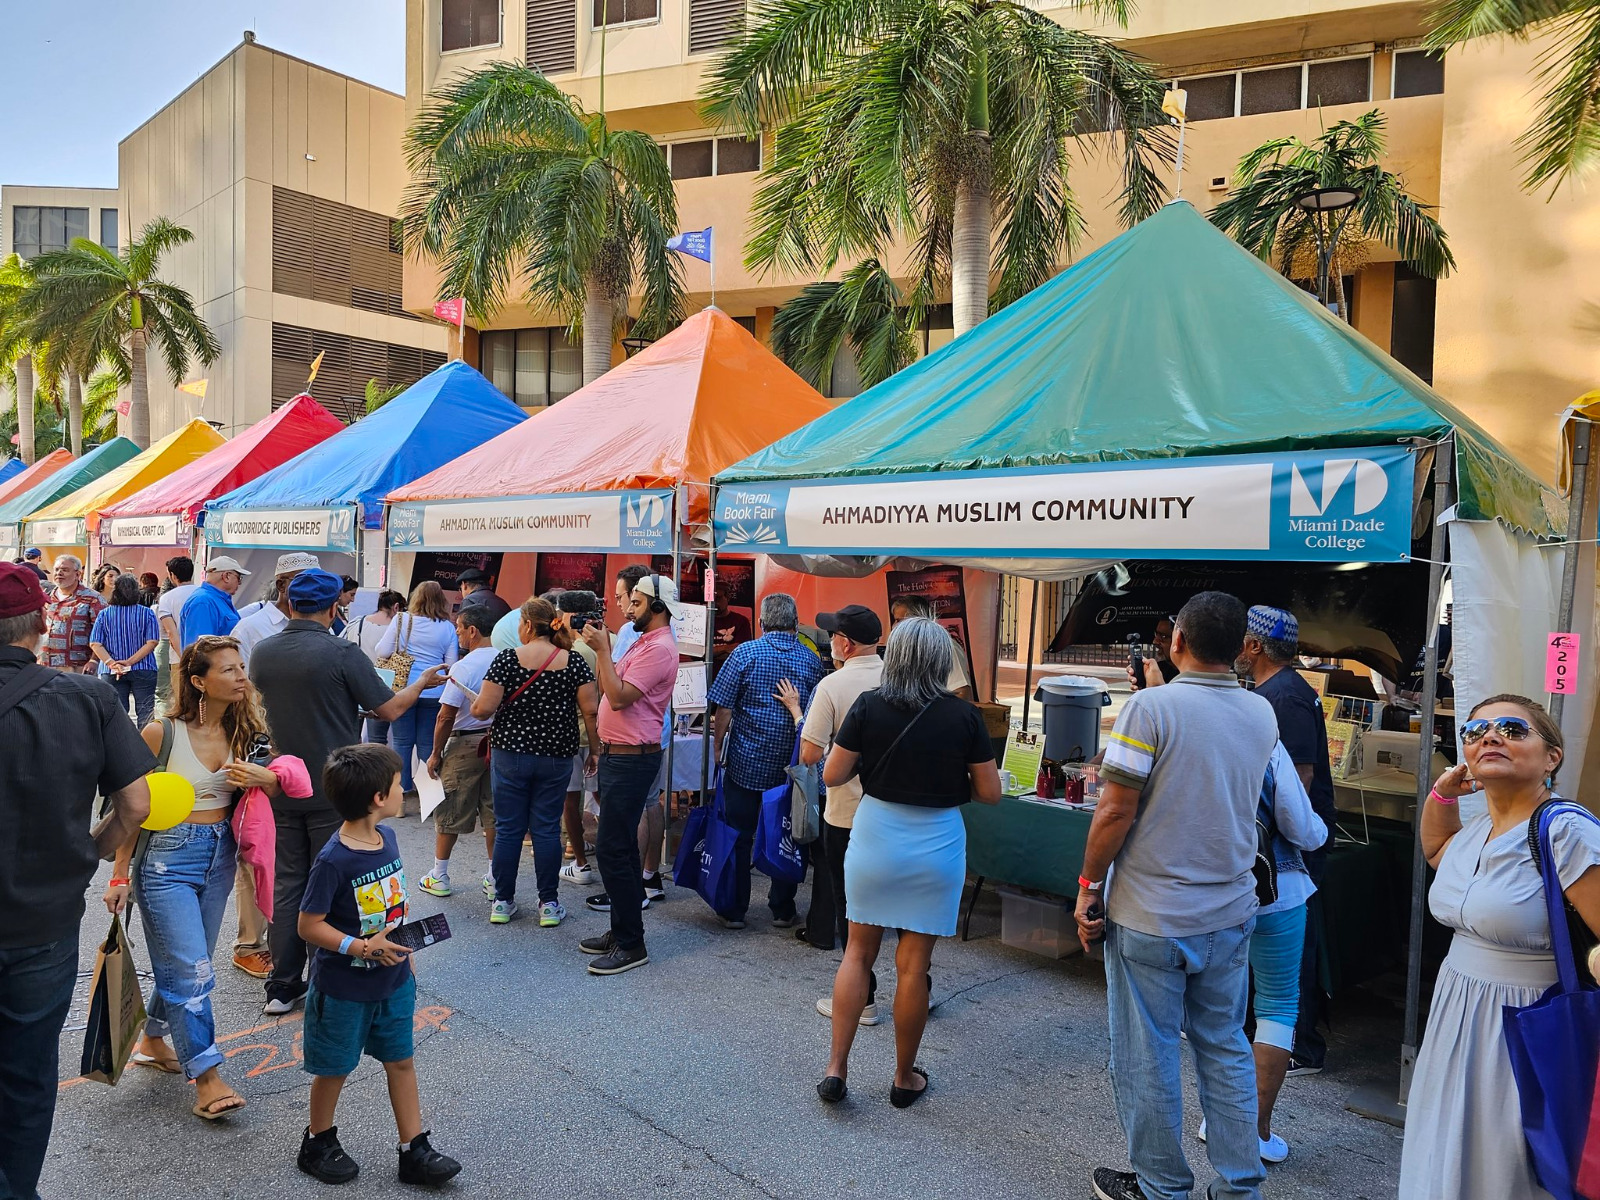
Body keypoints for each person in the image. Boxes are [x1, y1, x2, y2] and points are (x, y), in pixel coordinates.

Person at [1076, 591, 1277, 1200]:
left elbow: (1114, 809)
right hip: (1229, 910)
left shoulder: (1150, 708)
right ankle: (1241, 1183)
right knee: (1225, 1046)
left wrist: (1087, 886)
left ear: (1177, 641)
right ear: (1243, 647)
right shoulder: (1260, 712)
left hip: (1154, 914)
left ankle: (1162, 1186)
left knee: (1148, 1053)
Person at [1399, 695, 1600, 1199]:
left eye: (1512, 728)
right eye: (1475, 731)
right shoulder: (1478, 832)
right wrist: (1443, 797)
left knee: (1504, 1168)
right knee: (1446, 1149)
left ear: (1551, 757)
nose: (1490, 736)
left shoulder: (1566, 831)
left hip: (1526, 1024)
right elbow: (1438, 851)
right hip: (1456, 1015)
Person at [0, 562, 152, 1199]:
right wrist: (88, 852)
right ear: (40, 625)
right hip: (43, 919)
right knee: (28, 1070)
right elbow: (138, 805)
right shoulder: (85, 698)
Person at [815, 617, 1000, 1106]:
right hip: (936, 843)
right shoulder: (963, 717)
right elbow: (990, 793)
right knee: (914, 967)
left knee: (857, 953)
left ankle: (836, 1068)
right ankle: (902, 1078)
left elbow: (833, 774)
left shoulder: (868, 705)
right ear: (941, 662)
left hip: (875, 835)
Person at [250, 569, 446, 1016]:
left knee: (288, 886)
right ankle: (326, 980)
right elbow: (390, 708)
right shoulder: (340, 651)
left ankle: (282, 985)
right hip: (332, 785)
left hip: (279, 782)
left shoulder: (263, 652)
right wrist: (420, 683)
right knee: (333, 887)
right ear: (335, 605)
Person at [102, 634, 280, 1121]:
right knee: (192, 969)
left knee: (188, 960)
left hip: (220, 856)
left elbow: (277, 784)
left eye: (241, 666)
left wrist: (264, 778)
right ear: (199, 682)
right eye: (228, 669)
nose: (241, 676)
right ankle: (207, 1076)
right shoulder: (162, 733)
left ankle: (154, 1038)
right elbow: (129, 807)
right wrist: (119, 875)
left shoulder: (250, 733)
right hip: (164, 861)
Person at [295, 743, 461, 1188]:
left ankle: (414, 1149)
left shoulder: (386, 838)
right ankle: (317, 1140)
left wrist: (402, 959)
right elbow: (309, 925)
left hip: (394, 980)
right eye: (395, 784)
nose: (402, 787)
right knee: (335, 1067)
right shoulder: (334, 859)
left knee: (401, 1060)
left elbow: (392, 910)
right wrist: (361, 948)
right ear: (376, 799)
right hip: (344, 986)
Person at [1236, 605, 1336, 1076]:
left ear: (1255, 646)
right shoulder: (1272, 691)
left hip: (1289, 846)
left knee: (1295, 949)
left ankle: (1300, 1046)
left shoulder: (1285, 697)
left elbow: (1298, 778)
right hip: (1274, 843)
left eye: (1241, 639)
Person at [780, 605, 885, 1017]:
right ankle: (918, 988)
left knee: (851, 905)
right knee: (899, 911)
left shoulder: (833, 685)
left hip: (846, 812)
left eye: (834, 636)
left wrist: (800, 717)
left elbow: (809, 754)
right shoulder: (899, 679)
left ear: (845, 642)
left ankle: (865, 997)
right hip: (892, 811)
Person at [575, 574, 680, 975]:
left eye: (636, 602)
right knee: (612, 846)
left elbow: (617, 698)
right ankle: (620, 931)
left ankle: (632, 942)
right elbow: (609, 685)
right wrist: (605, 650)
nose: (628, 607)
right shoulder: (645, 643)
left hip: (632, 759)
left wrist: (602, 648)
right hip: (622, 756)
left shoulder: (659, 649)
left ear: (657, 607)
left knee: (613, 849)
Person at [471, 597, 598, 927]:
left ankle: (502, 901)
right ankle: (549, 904)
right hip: (556, 756)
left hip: (510, 753)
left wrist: (474, 707)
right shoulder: (573, 661)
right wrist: (595, 749)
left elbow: (483, 708)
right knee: (545, 829)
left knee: (509, 828)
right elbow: (590, 710)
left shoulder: (507, 659)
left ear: (527, 625)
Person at [708, 593, 826, 929]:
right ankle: (782, 909)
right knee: (785, 835)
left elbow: (724, 707)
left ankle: (734, 910)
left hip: (747, 761)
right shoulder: (811, 659)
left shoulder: (744, 653)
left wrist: (718, 748)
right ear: (795, 622)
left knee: (739, 835)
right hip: (792, 766)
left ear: (761, 622)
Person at [418, 606, 500, 903]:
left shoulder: (464, 666)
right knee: (493, 811)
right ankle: (494, 877)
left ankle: (440, 874)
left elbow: (445, 716)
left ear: (473, 631)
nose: (457, 633)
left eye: (459, 628)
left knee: (450, 807)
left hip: (465, 743)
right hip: (498, 743)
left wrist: (435, 753)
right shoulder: (507, 659)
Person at [375, 580, 459, 792]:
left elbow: (382, 651)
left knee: (401, 742)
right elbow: (451, 664)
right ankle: (427, 796)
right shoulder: (448, 627)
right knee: (427, 745)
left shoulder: (401, 620)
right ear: (441, 600)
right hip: (435, 691)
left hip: (403, 691)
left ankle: (400, 795)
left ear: (416, 598)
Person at [557, 591, 604, 887]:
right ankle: (606, 853)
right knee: (602, 797)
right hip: (601, 733)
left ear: (568, 615)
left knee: (570, 801)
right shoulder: (603, 644)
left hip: (576, 734)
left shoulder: (574, 651)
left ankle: (580, 862)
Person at [89, 573, 161, 724]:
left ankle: (120, 746)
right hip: (144, 667)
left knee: (115, 715)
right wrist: (129, 662)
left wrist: (111, 663)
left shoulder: (104, 614)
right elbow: (152, 641)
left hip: (111, 671)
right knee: (145, 712)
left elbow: (95, 643)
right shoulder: (147, 613)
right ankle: (146, 745)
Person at [233, 552, 321, 664]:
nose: (313, 589)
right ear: (281, 585)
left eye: (317, 582)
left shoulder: (322, 626)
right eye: (304, 582)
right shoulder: (248, 629)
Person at [345, 588, 406, 746]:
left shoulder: (357, 623)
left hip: (354, 685)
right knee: (377, 738)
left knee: (351, 737)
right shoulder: (397, 631)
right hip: (381, 686)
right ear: (396, 608)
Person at [888, 593, 973, 698]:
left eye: (899, 620)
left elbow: (961, 692)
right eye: (895, 620)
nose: (894, 626)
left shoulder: (946, 647)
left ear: (918, 619)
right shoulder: (904, 649)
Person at [41, 554, 105, 672]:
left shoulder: (93, 598)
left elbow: (103, 631)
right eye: (56, 569)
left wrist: (94, 660)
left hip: (77, 667)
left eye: (65, 570)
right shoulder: (47, 598)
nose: (59, 573)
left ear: (77, 574)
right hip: (45, 665)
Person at [180, 556, 250, 646]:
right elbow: (200, 649)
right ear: (226, 576)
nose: (239, 583)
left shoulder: (212, 600)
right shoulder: (203, 602)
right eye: (238, 578)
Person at [1151, 615, 1180, 683]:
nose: (1154, 641)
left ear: (1180, 639)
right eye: (1156, 634)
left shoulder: (1194, 677)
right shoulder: (1158, 669)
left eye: (1163, 636)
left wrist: (1156, 688)